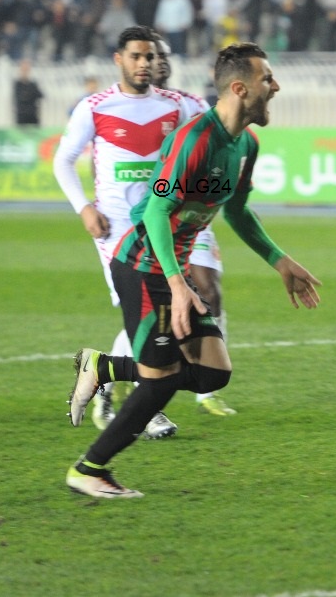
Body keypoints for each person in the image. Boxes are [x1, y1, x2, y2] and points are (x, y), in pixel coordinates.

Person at [65, 42, 322, 498]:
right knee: (158, 383)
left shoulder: (246, 144)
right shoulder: (194, 141)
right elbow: (156, 212)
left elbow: (239, 212)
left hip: (170, 270)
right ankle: (90, 468)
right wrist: (179, 284)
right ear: (241, 89)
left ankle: (104, 366)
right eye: (268, 79)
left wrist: (280, 260)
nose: (275, 86)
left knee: (213, 373)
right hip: (143, 266)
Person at [88, 35, 238, 430]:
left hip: (193, 220)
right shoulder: (127, 108)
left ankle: (202, 388)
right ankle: (133, 387)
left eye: (161, 56)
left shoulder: (189, 105)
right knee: (155, 317)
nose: (157, 63)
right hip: (157, 220)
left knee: (210, 290)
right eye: (150, 57)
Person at [53, 25, 191, 440]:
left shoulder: (176, 106)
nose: (144, 63)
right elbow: (64, 161)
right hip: (115, 230)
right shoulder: (95, 106)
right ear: (120, 59)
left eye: (150, 57)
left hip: (161, 229)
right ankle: (147, 408)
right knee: (147, 315)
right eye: (136, 56)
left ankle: (105, 378)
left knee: (150, 316)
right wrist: (84, 209)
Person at [13, 58, 44, 127]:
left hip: (33, 115)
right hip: (22, 117)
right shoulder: (18, 84)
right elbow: (21, 97)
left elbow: (40, 95)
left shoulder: (32, 84)